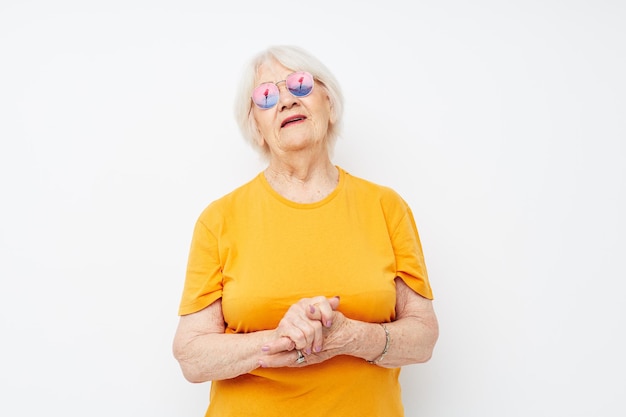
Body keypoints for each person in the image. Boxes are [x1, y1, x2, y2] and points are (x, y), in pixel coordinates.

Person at [172, 44, 439, 417]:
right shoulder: (219, 219)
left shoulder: (386, 207)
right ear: (257, 128)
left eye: (299, 85)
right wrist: (278, 341)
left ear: (328, 104)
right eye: (266, 96)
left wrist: (351, 337)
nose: (285, 101)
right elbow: (192, 357)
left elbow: (423, 338)